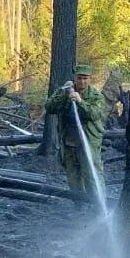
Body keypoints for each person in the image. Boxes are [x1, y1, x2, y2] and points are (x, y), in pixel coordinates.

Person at [43, 64, 107, 202]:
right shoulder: (65, 91)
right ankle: (79, 205)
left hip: (88, 142)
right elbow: (49, 107)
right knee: (73, 176)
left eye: (85, 78)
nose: (82, 81)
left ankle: (97, 205)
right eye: (79, 78)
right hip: (69, 141)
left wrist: (80, 101)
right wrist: (64, 96)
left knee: (92, 175)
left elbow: (95, 114)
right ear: (75, 78)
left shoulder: (96, 96)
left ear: (89, 79)